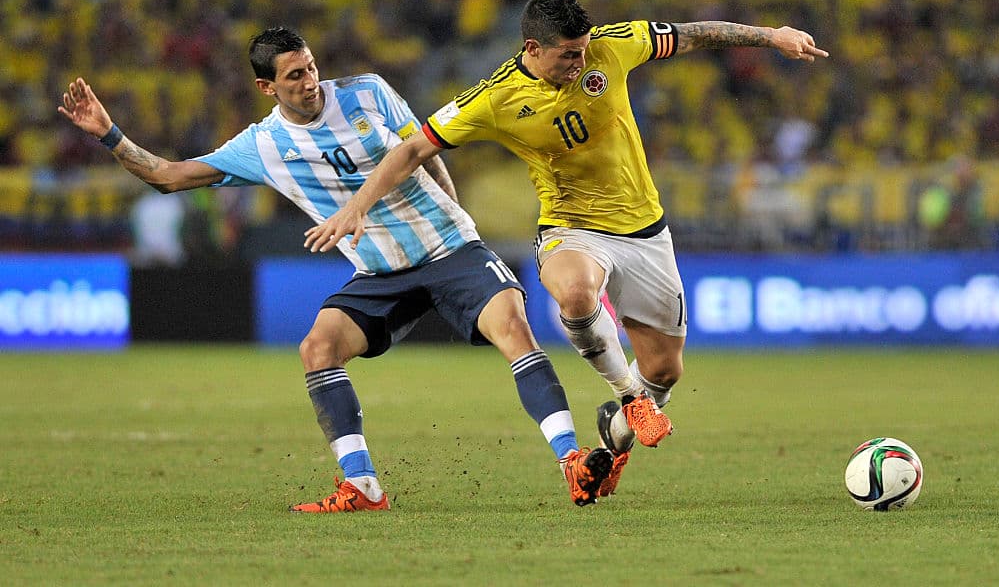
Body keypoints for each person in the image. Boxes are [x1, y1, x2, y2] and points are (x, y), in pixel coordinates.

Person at [58, 26, 614, 511]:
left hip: (449, 248)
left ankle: (572, 461)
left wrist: (459, 218)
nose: (310, 81)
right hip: (380, 274)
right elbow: (168, 175)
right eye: (295, 75)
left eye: (312, 67)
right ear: (266, 87)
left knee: (513, 328)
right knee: (316, 349)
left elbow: (424, 149)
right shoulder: (264, 144)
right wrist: (111, 135)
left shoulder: (369, 93)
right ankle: (363, 485)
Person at [304, 0, 830, 498]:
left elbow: (694, 35)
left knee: (665, 372)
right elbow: (413, 148)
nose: (579, 64)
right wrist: (356, 207)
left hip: (645, 231)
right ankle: (627, 398)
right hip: (569, 227)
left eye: (582, 53)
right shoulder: (495, 98)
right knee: (577, 295)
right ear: (532, 49)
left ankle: (618, 430)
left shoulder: (612, 45)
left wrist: (772, 36)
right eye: (567, 56)